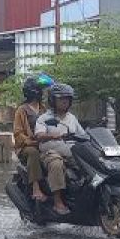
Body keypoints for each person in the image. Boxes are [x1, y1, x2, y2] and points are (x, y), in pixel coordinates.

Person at [35, 83, 86, 216]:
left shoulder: (72, 118)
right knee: (56, 163)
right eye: (61, 98)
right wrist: (52, 135)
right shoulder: (44, 118)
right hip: (51, 153)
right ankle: (58, 202)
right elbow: (39, 136)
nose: (65, 101)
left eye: (67, 98)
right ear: (53, 100)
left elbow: (83, 135)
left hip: (72, 154)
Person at [13, 75, 51, 203]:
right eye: (40, 90)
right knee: (33, 153)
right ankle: (36, 188)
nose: (43, 93)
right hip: (27, 147)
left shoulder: (44, 109)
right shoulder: (21, 110)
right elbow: (18, 132)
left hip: (43, 143)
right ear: (34, 92)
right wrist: (28, 141)